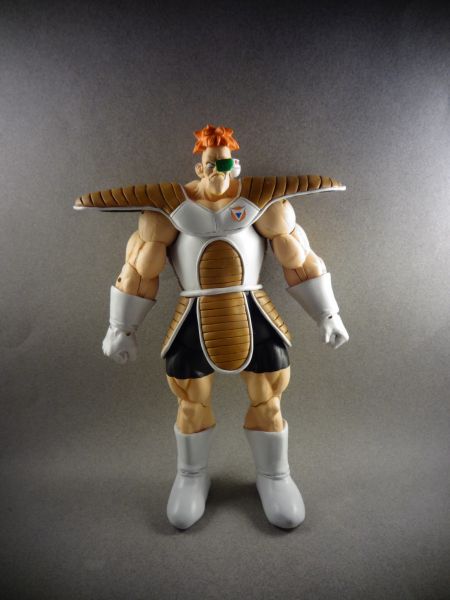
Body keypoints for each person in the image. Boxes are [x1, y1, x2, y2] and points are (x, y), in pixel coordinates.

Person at [74, 124, 349, 530]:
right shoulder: (168, 210)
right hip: (193, 315)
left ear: (234, 165)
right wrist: (121, 327)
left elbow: (299, 257)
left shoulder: (264, 203)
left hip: (253, 311)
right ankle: (191, 474)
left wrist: (328, 313)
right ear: (199, 168)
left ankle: (275, 475)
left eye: (224, 164)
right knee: (190, 400)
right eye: (209, 164)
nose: (217, 171)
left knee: (269, 395)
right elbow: (139, 268)